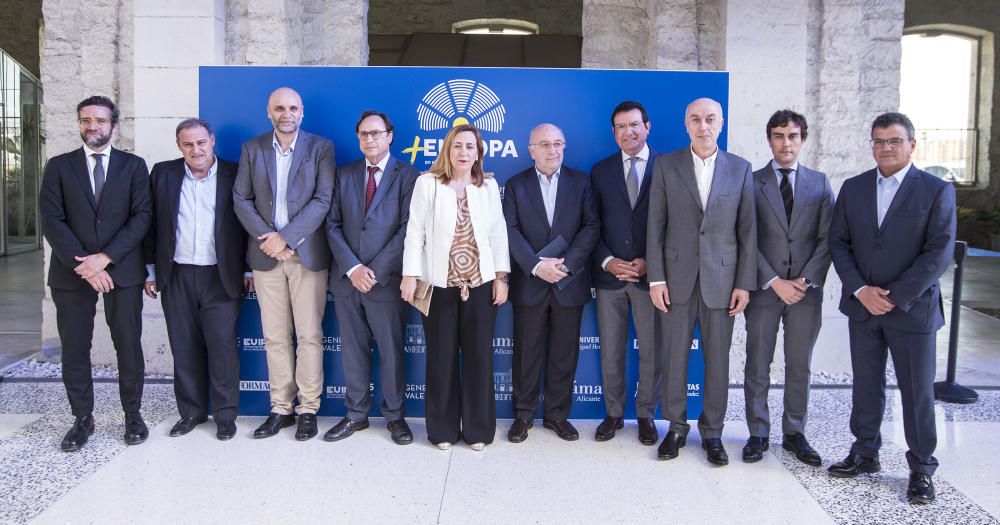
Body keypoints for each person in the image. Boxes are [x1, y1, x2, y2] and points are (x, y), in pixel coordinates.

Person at [827, 112, 956, 504]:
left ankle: (921, 468)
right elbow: (839, 243)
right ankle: (865, 452)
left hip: (911, 311)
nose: (885, 148)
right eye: (878, 141)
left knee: (916, 392)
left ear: (912, 145)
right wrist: (862, 290)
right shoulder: (854, 187)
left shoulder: (935, 190)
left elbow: (939, 252)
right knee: (866, 385)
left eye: (894, 141)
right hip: (863, 307)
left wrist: (896, 295)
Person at [646, 97, 756, 466]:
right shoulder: (666, 165)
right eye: (696, 119)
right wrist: (656, 278)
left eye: (710, 119)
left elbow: (747, 232)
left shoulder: (740, 169)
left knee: (717, 363)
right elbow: (655, 227)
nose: (703, 126)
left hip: (722, 284)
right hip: (675, 280)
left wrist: (744, 283)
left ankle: (712, 433)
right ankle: (676, 428)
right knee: (674, 357)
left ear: (721, 123)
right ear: (686, 124)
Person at [39, 95, 152, 451]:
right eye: (86, 120)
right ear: (79, 123)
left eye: (100, 121)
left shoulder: (134, 166)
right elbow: (52, 220)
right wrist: (84, 266)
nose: (93, 127)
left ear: (113, 126)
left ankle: (133, 416)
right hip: (72, 273)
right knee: (75, 347)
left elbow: (142, 217)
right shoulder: (59, 166)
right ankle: (82, 419)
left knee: (128, 345)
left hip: (122, 269)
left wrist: (104, 258)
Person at [233, 87, 335, 441]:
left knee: (309, 335)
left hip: (306, 254)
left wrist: (287, 237)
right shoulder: (252, 148)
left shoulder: (321, 148)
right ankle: (281, 408)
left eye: (292, 107)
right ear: (269, 112)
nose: (286, 113)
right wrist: (269, 238)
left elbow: (323, 200)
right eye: (279, 108)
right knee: (275, 336)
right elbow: (241, 198)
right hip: (265, 256)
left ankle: (308, 409)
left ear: (302, 112)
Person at [401, 124, 510, 451]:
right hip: (438, 286)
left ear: (479, 152)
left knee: (479, 357)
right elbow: (415, 232)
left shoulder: (487, 186)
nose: (464, 153)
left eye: (471, 147)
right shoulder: (428, 183)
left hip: (480, 285)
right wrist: (410, 274)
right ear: (448, 150)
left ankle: (478, 431)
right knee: (441, 357)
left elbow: (498, 233)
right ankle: (442, 430)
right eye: (458, 146)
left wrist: (501, 278)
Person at [143, 118, 250, 441]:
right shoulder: (163, 173)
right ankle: (190, 412)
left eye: (201, 142)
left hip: (221, 274)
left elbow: (249, 224)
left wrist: (248, 268)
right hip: (175, 274)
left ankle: (225, 415)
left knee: (222, 346)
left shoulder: (234, 173)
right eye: (188, 144)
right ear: (180, 146)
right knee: (184, 346)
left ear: (212, 141)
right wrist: (149, 271)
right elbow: (150, 226)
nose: (196, 149)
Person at [742, 110, 833, 464]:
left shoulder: (820, 183)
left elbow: (828, 239)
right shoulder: (751, 182)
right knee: (757, 363)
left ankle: (795, 432)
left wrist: (805, 280)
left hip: (806, 293)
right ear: (769, 140)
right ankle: (758, 433)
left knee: (799, 365)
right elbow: (746, 239)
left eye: (793, 136)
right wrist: (774, 281)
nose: (786, 142)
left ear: (802, 140)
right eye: (779, 136)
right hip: (765, 291)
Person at [324, 111, 419, 445]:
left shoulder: (409, 176)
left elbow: (409, 229)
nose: (370, 140)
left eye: (376, 134)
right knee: (353, 350)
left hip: (386, 282)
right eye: (364, 134)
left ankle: (395, 417)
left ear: (390, 136)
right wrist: (353, 268)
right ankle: (356, 415)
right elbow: (332, 225)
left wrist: (375, 271)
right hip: (349, 280)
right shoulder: (344, 174)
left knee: (392, 352)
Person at [503, 123, 600, 443]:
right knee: (526, 353)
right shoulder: (516, 185)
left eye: (558, 143)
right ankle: (524, 415)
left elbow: (590, 227)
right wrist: (534, 266)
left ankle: (557, 415)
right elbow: (510, 231)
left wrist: (567, 265)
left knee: (563, 353)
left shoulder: (581, 182)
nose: (552, 149)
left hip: (567, 283)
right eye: (544, 144)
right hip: (530, 284)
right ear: (531, 150)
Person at [589, 101, 660, 444]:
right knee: (611, 350)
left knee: (651, 349)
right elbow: (591, 225)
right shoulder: (600, 171)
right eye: (620, 127)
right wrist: (608, 261)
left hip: (651, 279)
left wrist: (650, 261)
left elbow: (677, 225)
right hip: (609, 278)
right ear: (613, 133)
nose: (628, 132)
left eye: (634, 125)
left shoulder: (667, 167)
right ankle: (613, 413)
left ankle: (645, 415)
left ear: (648, 127)